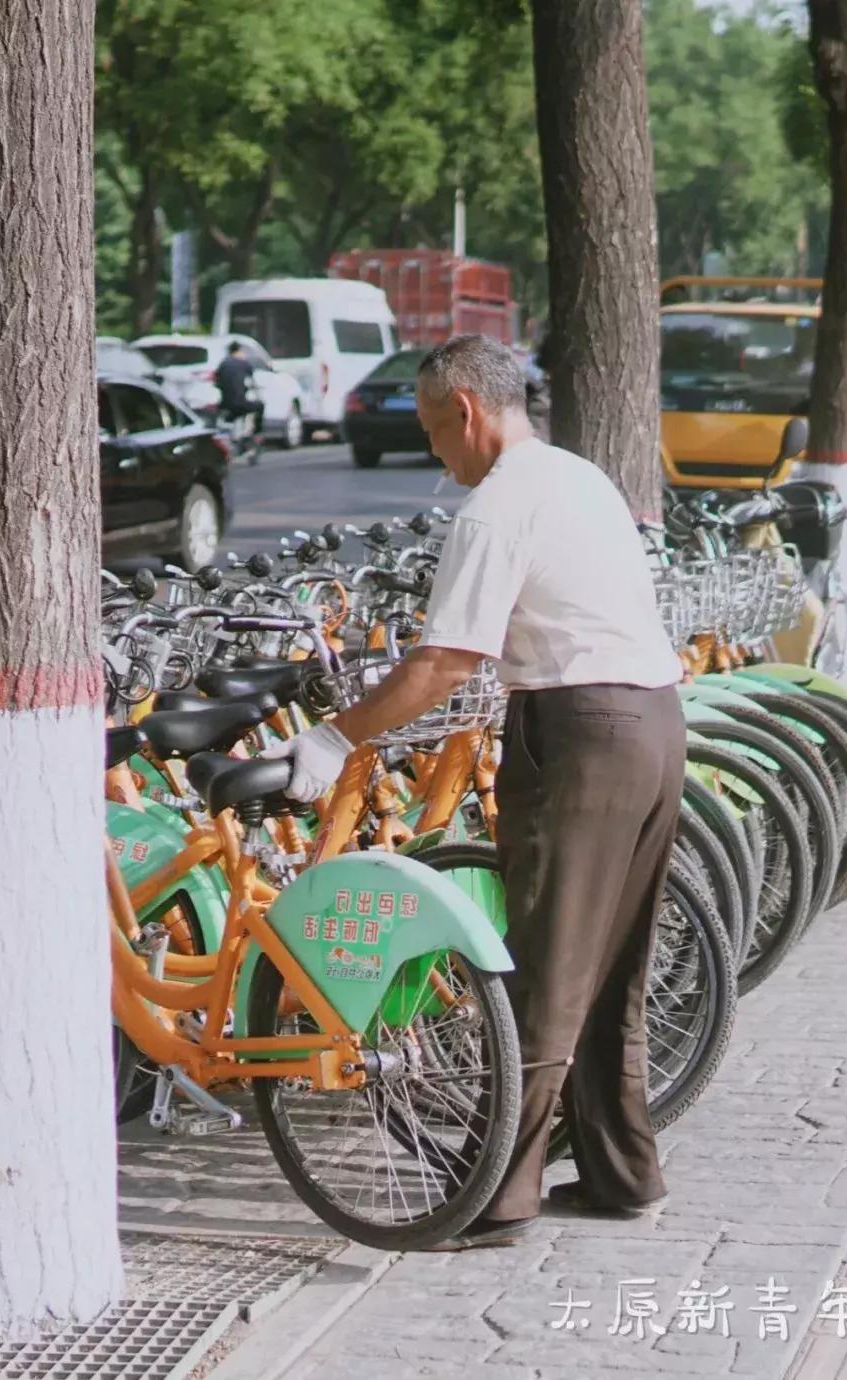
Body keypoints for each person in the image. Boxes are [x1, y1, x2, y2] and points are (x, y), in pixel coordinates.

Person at [264, 334, 685, 1250]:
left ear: (464, 410)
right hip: (656, 721)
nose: (433, 452)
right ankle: (623, 1175)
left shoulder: (495, 506)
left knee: (544, 970)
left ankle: (496, 1197)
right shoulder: (578, 476)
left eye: (430, 429)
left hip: (581, 731)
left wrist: (335, 738)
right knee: (610, 969)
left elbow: (448, 661)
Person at [215, 341, 261, 431]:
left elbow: (217, 381)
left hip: (224, 403)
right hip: (240, 403)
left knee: (232, 412)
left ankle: (229, 425)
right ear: (239, 351)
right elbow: (251, 376)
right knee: (260, 406)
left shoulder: (222, 364)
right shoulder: (243, 363)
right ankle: (257, 432)